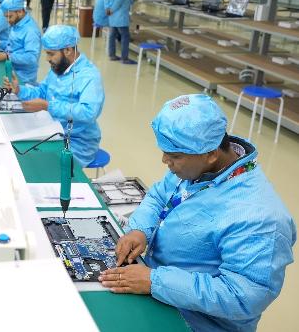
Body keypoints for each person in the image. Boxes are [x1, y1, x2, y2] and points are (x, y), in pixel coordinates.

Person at [99, 94, 296, 332]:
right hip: (156, 289)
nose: (165, 161)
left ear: (211, 153)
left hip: (198, 322)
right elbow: (159, 195)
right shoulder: (197, 166)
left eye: (174, 156)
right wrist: (140, 230)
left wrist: (155, 281)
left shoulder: (260, 218)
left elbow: (242, 297)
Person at [4, 25, 104, 166]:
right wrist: (19, 90)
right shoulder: (59, 67)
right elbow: (43, 91)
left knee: (39, 166)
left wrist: (48, 106)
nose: (47, 59)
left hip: (77, 142)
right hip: (53, 129)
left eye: (51, 54)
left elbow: (88, 112)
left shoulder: (89, 76)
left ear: (68, 50)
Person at [0, 0, 41, 84]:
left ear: (20, 12)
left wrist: (7, 56)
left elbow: (32, 58)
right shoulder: (17, 23)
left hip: (23, 78)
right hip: (11, 68)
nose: (7, 20)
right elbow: (14, 44)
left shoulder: (31, 31)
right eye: (6, 17)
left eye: (10, 16)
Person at [105, 0, 136, 64]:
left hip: (112, 12)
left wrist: (108, 8)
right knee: (125, 36)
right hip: (119, 13)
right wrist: (112, 9)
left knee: (112, 34)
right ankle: (124, 58)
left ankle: (112, 55)